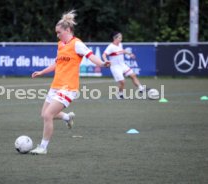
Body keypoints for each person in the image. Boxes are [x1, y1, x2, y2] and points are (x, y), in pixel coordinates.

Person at [30, 10, 110, 155]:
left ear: (67, 30)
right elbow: (57, 63)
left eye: (59, 32)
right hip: (56, 85)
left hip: (68, 88)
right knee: (44, 114)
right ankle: (67, 117)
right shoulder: (60, 44)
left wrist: (103, 64)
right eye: (56, 33)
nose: (57, 35)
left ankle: (43, 147)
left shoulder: (77, 44)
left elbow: (91, 57)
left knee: (48, 115)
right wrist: (42, 72)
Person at [102, 31, 145, 99]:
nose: (121, 39)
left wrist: (129, 54)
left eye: (121, 38)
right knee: (122, 82)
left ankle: (141, 88)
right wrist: (106, 60)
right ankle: (120, 93)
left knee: (133, 75)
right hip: (115, 67)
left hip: (122, 65)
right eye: (119, 38)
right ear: (114, 38)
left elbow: (122, 51)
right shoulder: (110, 47)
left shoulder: (120, 44)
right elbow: (104, 54)